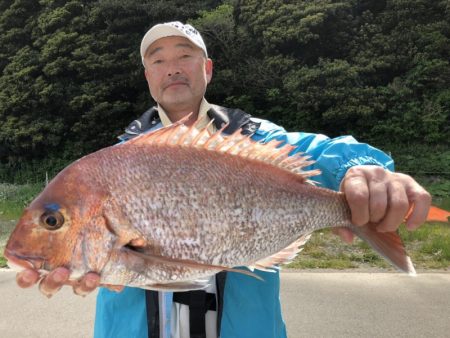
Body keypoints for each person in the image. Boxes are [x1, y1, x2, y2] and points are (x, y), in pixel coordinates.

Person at [15, 21, 431, 338]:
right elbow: (117, 261)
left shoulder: (254, 138)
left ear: (207, 68)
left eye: (185, 55)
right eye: (157, 59)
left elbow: (325, 153)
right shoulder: (120, 158)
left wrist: (360, 169)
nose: (172, 67)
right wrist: (79, 263)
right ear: (147, 77)